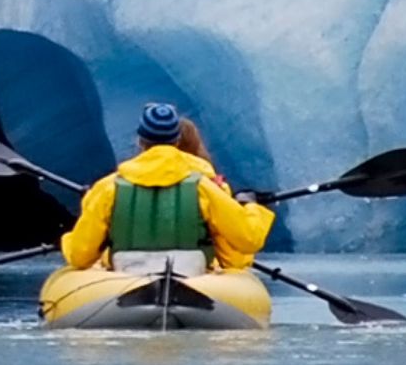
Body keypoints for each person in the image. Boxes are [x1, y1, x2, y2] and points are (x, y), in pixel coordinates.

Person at [60, 103, 274, 276]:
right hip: (193, 272)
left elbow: (80, 255)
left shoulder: (108, 188)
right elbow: (248, 240)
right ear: (177, 139)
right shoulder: (204, 188)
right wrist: (250, 205)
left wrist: (67, 239)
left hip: (126, 272)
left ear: (140, 141)